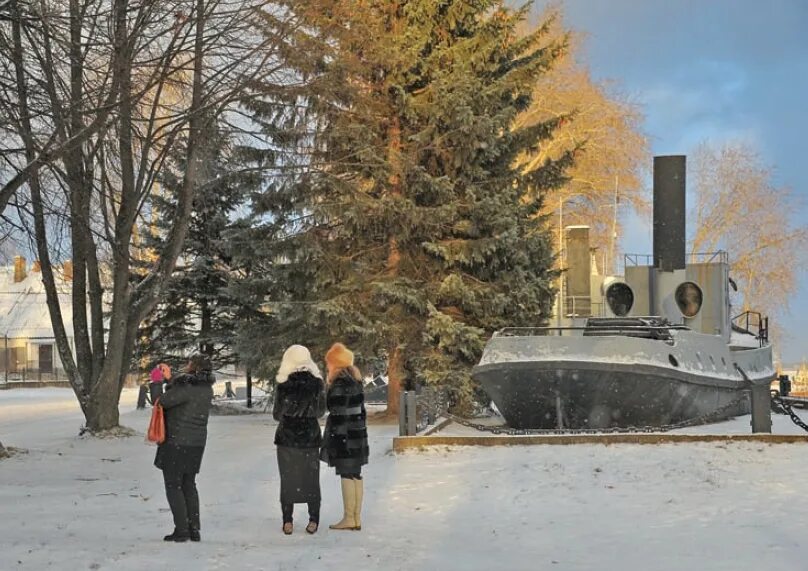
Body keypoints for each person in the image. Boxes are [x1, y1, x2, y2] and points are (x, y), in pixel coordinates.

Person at [154, 353, 215, 542]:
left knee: (173, 485)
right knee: (189, 484)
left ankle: (182, 530)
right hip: (196, 443)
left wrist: (157, 381)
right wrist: (172, 379)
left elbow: (161, 402)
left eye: (189, 363)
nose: (186, 365)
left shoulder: (187, 386)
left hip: (177, 442)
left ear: (194, 367)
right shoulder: (205, 388)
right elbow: (181, 394)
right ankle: (193, 528)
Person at [273, 345, 326, 535]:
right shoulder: (317, 383)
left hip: (287, 438)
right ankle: (314, 519)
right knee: (311, 479)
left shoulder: (283, 383)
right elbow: (320, 411)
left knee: (287, 479)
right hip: (310, 438)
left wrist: (291, 412)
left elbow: (277, 414)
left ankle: (287, 520)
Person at [320, 342, 369, 531]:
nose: (327, 366)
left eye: (329, 363)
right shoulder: (355, 381)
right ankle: (355, 518)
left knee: (347, 473)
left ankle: (350, 518)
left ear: (336, 364)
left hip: (345, 437)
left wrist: (339, 441)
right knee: (355, 473)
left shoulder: (339, 384)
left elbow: (338, 413)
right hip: (357, 435)